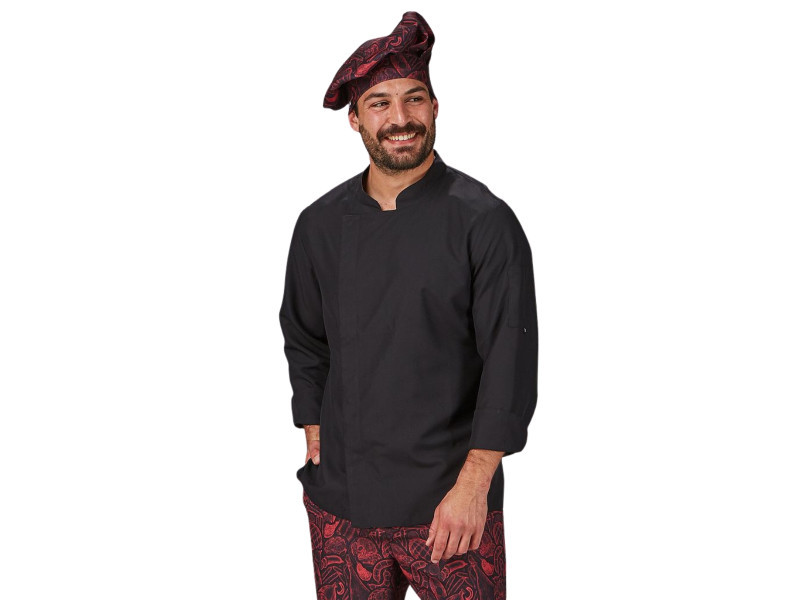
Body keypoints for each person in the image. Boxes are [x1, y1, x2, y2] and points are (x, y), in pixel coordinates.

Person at [279, 11, 538, 599]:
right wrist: (312, 418)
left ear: (435, 107)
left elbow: (510, 361)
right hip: (342, 504)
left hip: (448, 505)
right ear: (355, 119)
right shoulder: (318, 224)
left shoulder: (484, 221)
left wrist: (474, 486)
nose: (400, 119)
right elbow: (304, 334)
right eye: (379, 103)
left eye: (413, 98)